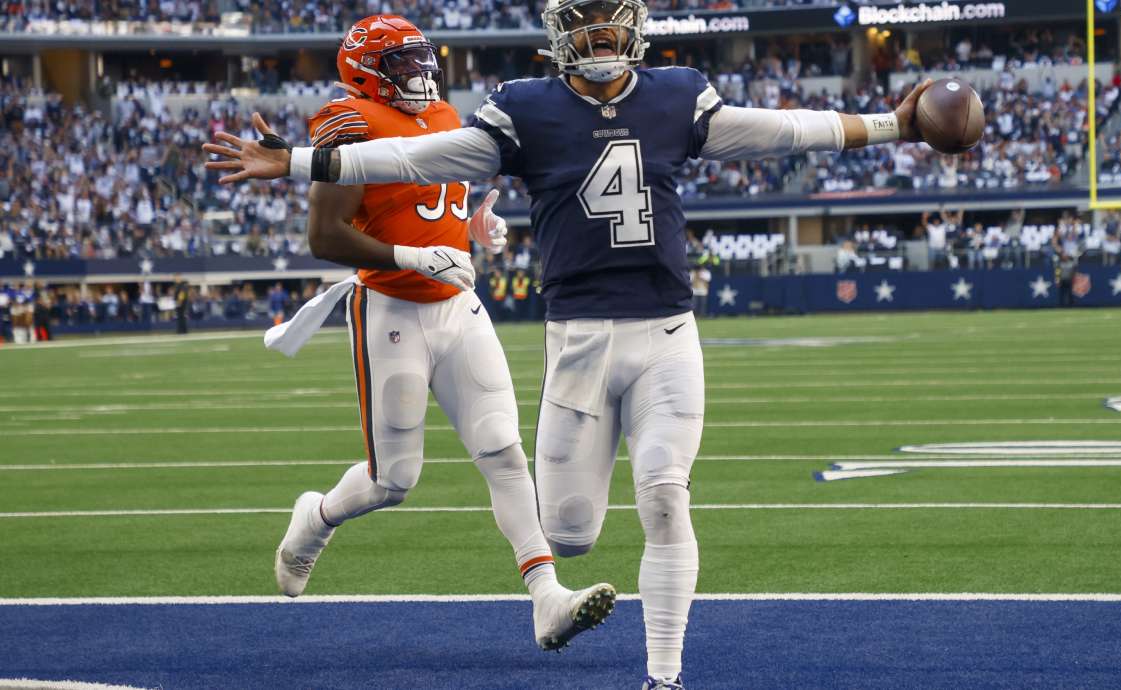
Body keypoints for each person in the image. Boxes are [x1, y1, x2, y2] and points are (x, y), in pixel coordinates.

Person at [203, 2, 932, 684]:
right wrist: (298, 162)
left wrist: (892, 126)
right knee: (553, 524)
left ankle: (656, 668)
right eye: (587, 19)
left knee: (658, 494)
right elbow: (413, 163)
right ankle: (339, 519)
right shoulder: (522, 109)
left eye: (611, 16)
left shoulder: (678, 94)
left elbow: (786, 129)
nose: (602, 33)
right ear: (561, 32)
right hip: (558, 336)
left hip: (665, 329)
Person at [218, 15, 615, 653]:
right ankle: (316, 516)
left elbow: (435, 205)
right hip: (391, 310)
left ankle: (547, 599)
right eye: (402, 63)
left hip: (458, 307)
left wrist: (474, 226)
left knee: (504, 453)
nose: (420, 73)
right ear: (366, 72)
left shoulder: (445, 115)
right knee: (393, 481)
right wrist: (410, 256)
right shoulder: (349, 120)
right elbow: (324, 236)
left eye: (421, 59)